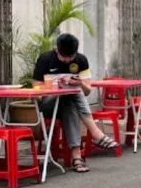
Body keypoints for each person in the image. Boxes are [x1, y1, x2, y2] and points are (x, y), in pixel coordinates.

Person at [32, 33, 119, 173]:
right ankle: (96, 134)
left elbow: (87, 91)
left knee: (72, 98)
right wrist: (55, 87)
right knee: (72, 93)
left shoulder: (81, 61)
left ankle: (77, 158)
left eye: (70, 57)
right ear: (56, 50)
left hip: (67, 103)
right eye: (63, 57)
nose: (66, 60)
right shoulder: (45, 59)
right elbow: (35, 88)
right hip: (48, 104)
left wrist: (79, 83)